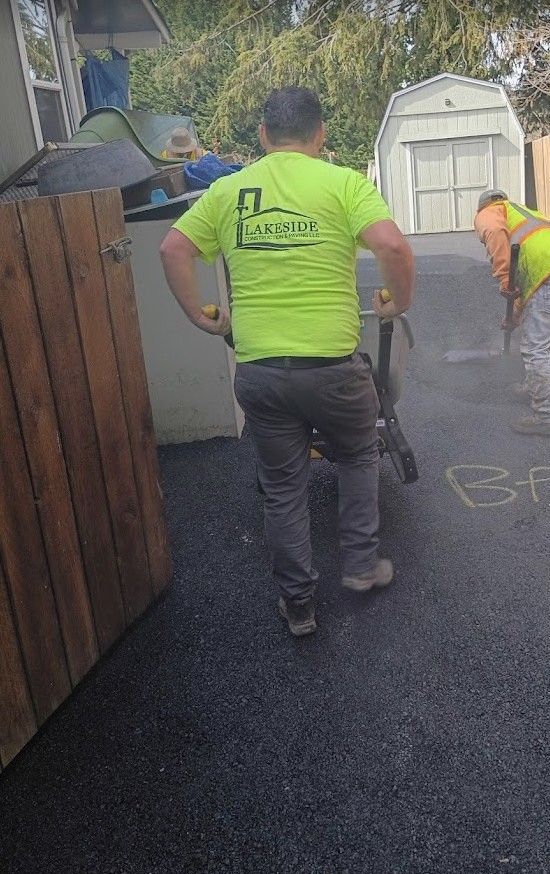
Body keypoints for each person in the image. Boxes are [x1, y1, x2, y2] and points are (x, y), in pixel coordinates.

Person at [159, 87, 415, 637]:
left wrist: (199, 316)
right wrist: (398, 300)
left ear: (263, 137)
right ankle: (362, 566)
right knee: (358, 457)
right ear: (321, 135)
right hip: (335, 370)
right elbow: (393, 248)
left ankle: (299, 605)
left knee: (283, 487)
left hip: (261, 374)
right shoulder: (343, 183)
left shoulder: (228, 190)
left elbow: (172, 249)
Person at [474, 189, 550, 436]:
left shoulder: (489, 213)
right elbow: (529, 288)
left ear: (481, 208)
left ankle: (547, 414)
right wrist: (514, 315)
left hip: (549, 274)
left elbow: (492, 233)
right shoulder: (525, 213)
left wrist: (504, 279)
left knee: (535, 348)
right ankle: (534, 386)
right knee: (546, 342)